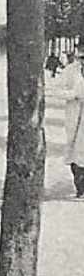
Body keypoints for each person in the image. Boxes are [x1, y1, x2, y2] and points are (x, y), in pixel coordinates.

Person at [59, 52, 84, 199]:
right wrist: (74, 94)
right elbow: (58, 90)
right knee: (75, 150)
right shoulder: (70, 70)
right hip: (76, 113)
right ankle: (80, 186)